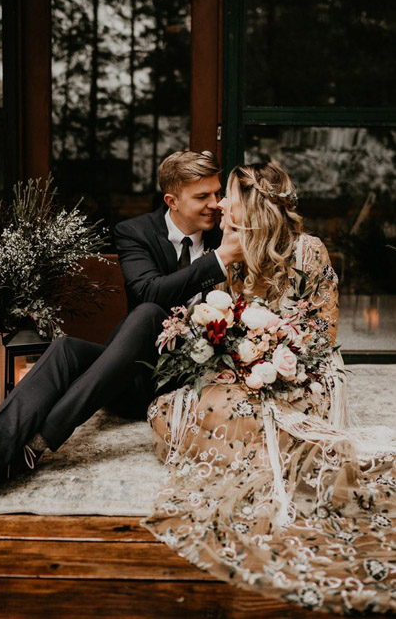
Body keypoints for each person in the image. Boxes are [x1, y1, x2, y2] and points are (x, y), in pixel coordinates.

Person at [145, 162, 396, 614]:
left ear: (254, 207)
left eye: (230, 199)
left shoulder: (308, 251)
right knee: (168, 411)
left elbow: (322, 335)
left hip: (303, 371)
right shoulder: (231, 251)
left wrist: (271, 355)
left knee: (237, 415)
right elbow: (227, 322)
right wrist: (236, 351)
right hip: (250, 367)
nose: (220, 204)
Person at [0, 150, 245, 510]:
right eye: (202, 197)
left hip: (185, 383)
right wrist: (216, 261)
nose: (214, 205)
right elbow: (148, 291)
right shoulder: (136, 232)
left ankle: (33, 444)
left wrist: (229, 241)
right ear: (171, 200)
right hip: (131, 376)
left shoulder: (228, 235)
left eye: (217, 194)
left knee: (145, 315)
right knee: (74, 346)